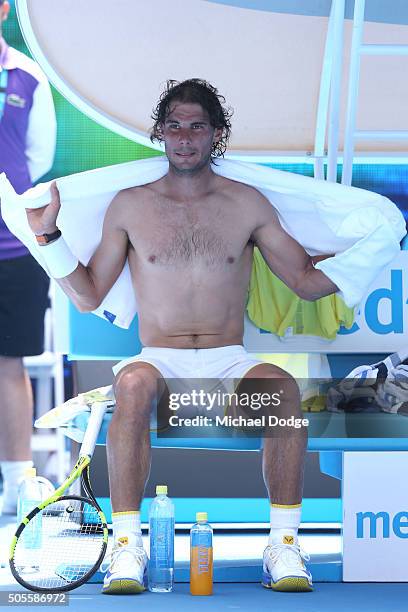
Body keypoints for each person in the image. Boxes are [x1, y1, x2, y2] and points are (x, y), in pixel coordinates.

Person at [26, 78, 338, 594]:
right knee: (130, 386)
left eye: (197, 127)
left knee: (283, 390)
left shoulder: (247, 204)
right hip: (159, 361)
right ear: (160, 134)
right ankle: (128, 549)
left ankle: (282, 546)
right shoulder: (129, 206)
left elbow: (304, 282)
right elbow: (87, 295)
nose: (185, 137)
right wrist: (47, 234)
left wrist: (368, 255)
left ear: (216, 134)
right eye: (174, 126)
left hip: (229, 359)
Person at [0, 0, 56, 514]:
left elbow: (37, 159)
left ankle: (18, 482)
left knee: (9, 363)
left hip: (11, 247)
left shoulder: (28, 77)